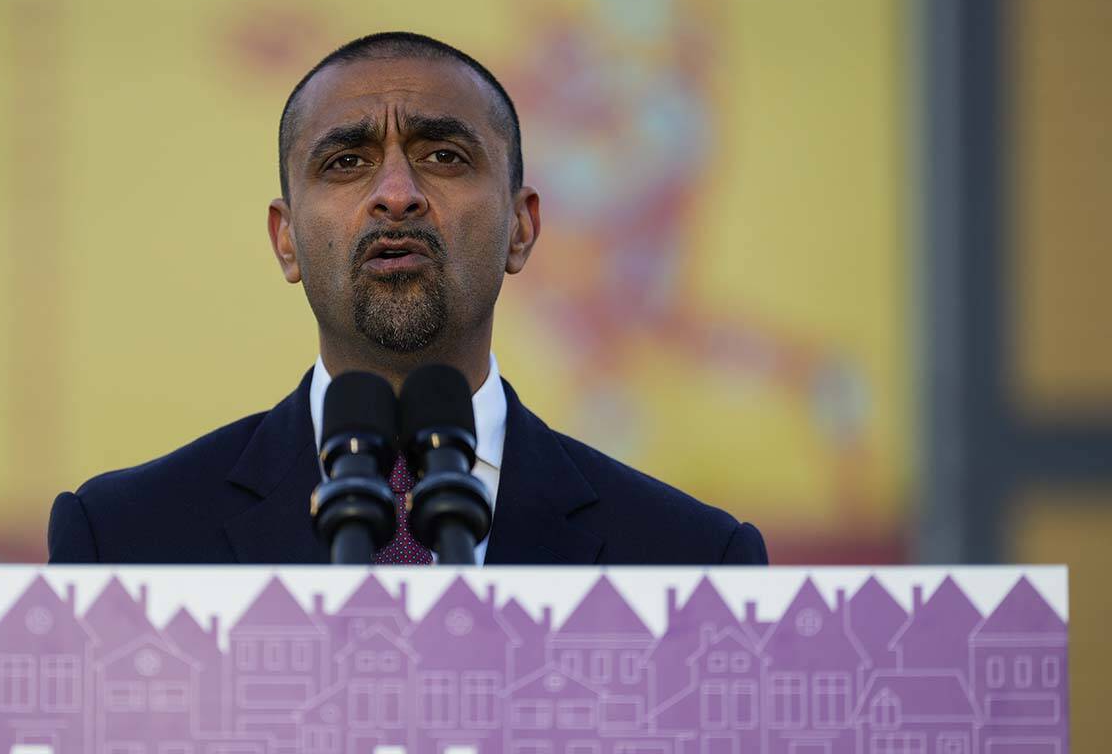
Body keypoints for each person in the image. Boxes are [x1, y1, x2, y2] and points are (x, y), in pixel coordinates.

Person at [47, 32, 767, 566]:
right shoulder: (122, 540)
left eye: (444, 157)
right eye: (346, 162)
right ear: (286, 239)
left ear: (522, 227)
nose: (397, 194)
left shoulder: (694, 559)